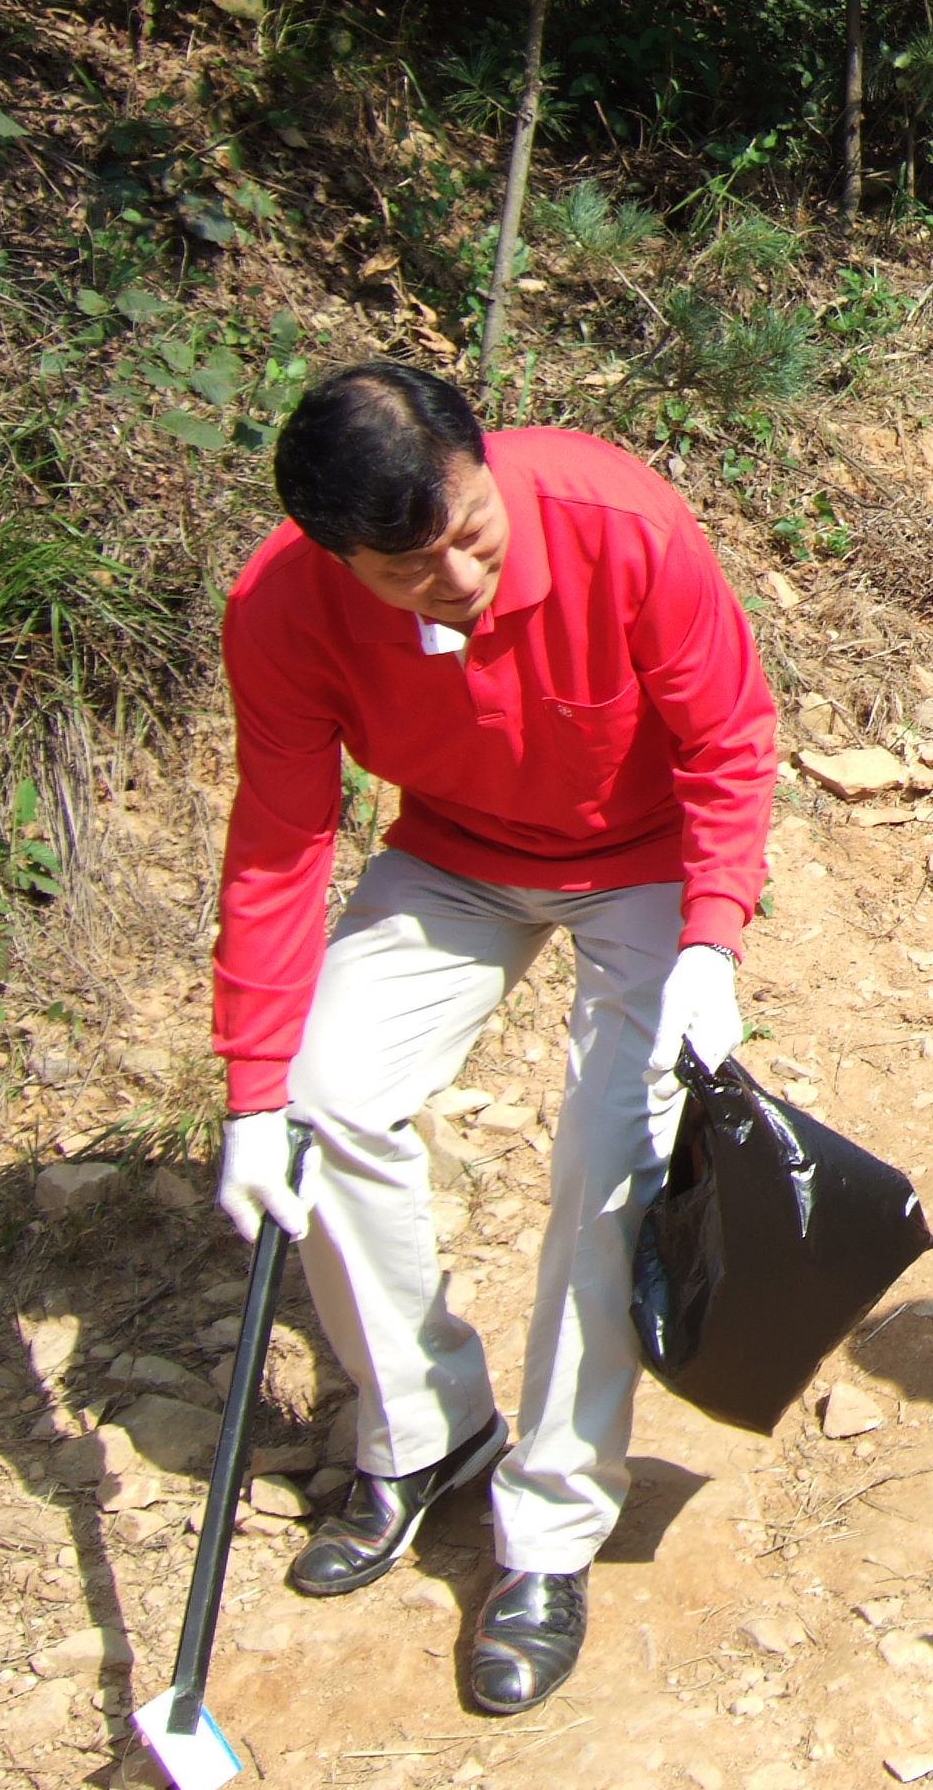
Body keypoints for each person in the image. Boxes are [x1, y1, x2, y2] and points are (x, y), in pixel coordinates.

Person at [213, 363, 777, 1714]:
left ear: (484, 466)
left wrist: (711, 936)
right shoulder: (282, 608)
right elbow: (283, 842)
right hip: (454, 857)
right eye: (410, 570)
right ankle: (424, 1430)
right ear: (335, 556)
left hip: (642, 863)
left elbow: (729, 739)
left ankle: (552, 1526)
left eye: (474, 533)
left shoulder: (617, 521)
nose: (459, 578)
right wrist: (248, 1091)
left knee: (607, 1161)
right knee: (323, 1098)